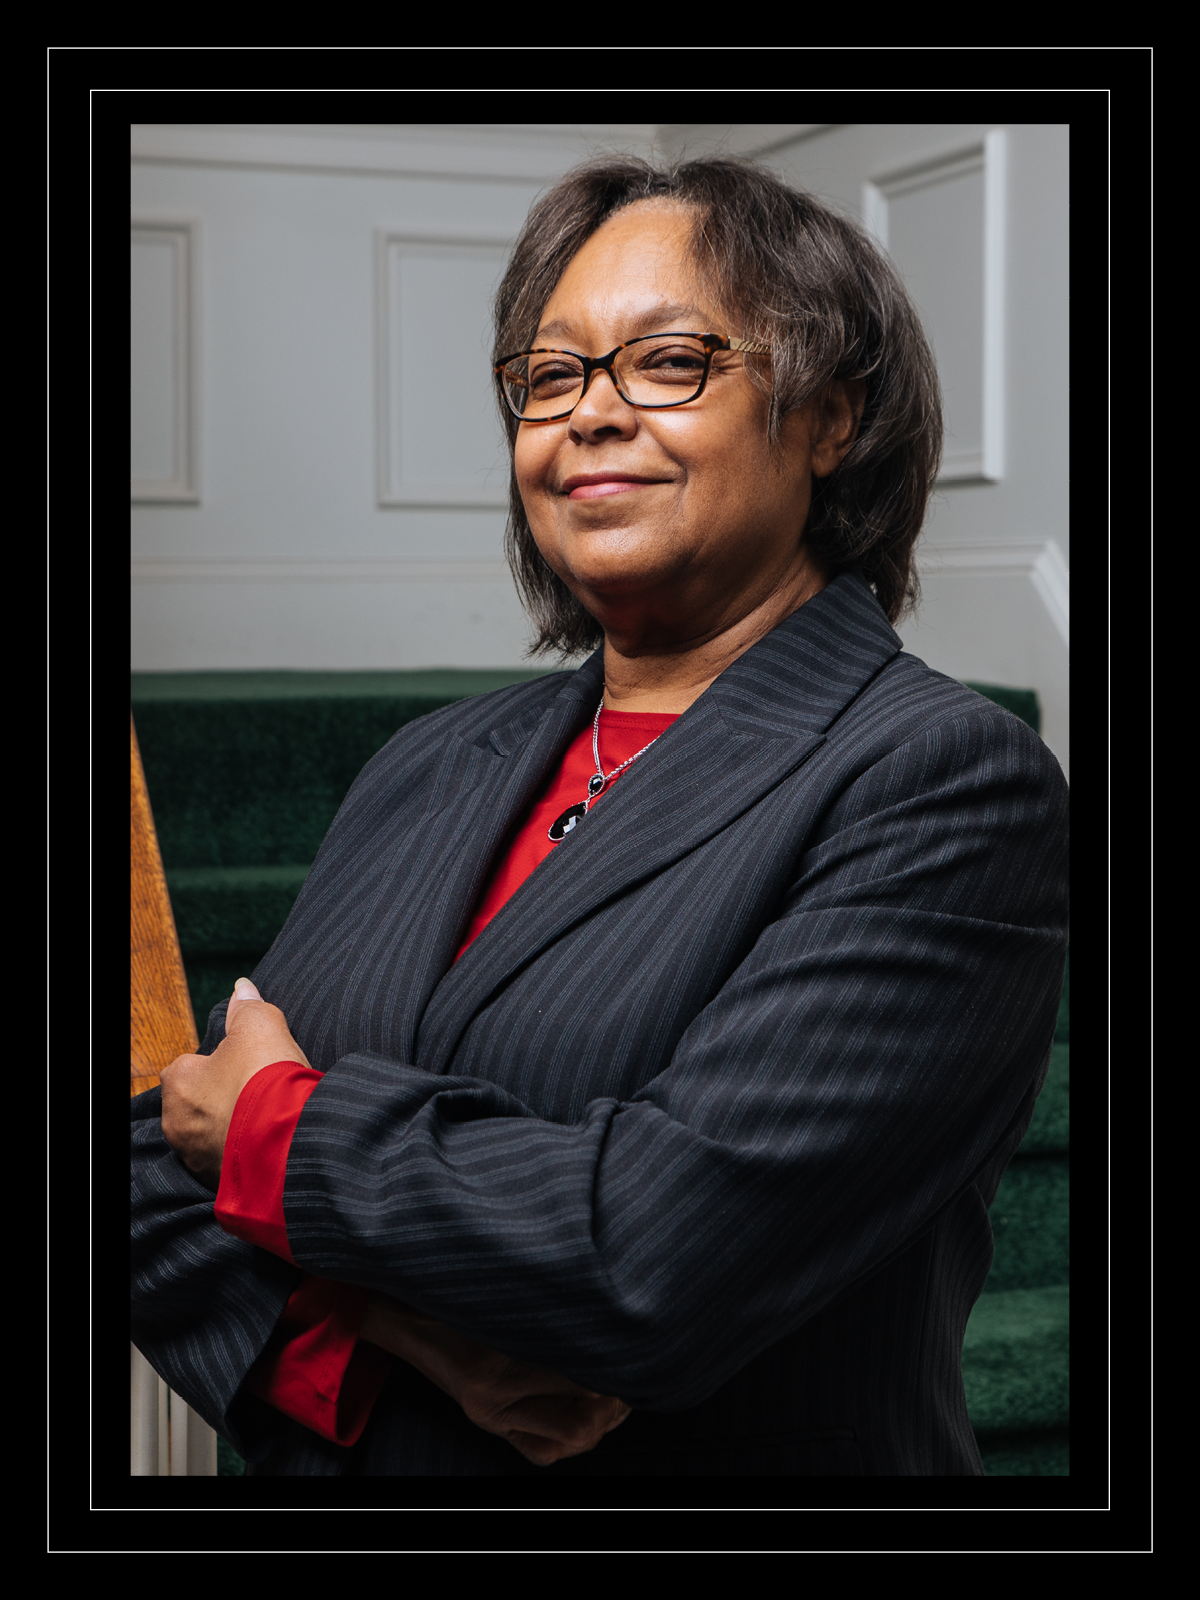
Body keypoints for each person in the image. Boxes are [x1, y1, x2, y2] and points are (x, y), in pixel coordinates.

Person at [131, 156, 1068, 1478]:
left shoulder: (944, 781)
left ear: (830, 421)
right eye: (551, 376)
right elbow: (153, 1158)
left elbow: (651, 1250)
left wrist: (279, 1128)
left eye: (669, 361)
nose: (589, 414)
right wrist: (381, 1342)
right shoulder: (431, 760)